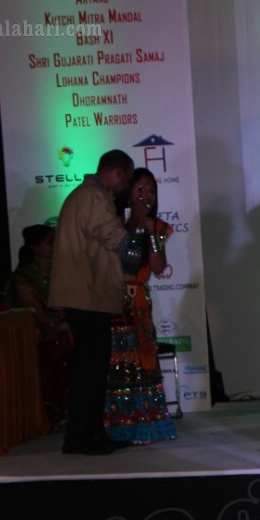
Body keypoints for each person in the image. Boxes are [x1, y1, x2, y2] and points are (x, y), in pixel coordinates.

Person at [49, 149, 133, 456]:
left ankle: (91, 434)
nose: (126, 187)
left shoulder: (86, 195)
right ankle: (82, 438)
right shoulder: (94, 197)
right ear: (118, 173)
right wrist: (135, 228)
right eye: (127, 179)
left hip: (86, 294)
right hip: (87, 295)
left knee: (91, 369)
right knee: (90, 370)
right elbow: (115, 238)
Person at [104, 168, 177, 445]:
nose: (146, 195)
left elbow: (158, 267)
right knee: (113, 362)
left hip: (138, 304)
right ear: (128, 191)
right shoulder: (112, 222)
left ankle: (146, 422)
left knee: (141, 359)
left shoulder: (155, 227)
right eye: (141, 189)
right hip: (110, 300)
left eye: (151, 191)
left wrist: (151, 235)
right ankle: (114, 424)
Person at [6, 224, 72, 431]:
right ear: (35, 247)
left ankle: (74, 410)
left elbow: (68, 303)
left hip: (60, 328)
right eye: (49, 243)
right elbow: (37, 314)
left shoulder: (59, 271)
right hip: (35, 333)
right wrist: (58, 325)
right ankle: (53, 413)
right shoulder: (23, 278)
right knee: (61, 346)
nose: (55, 247)